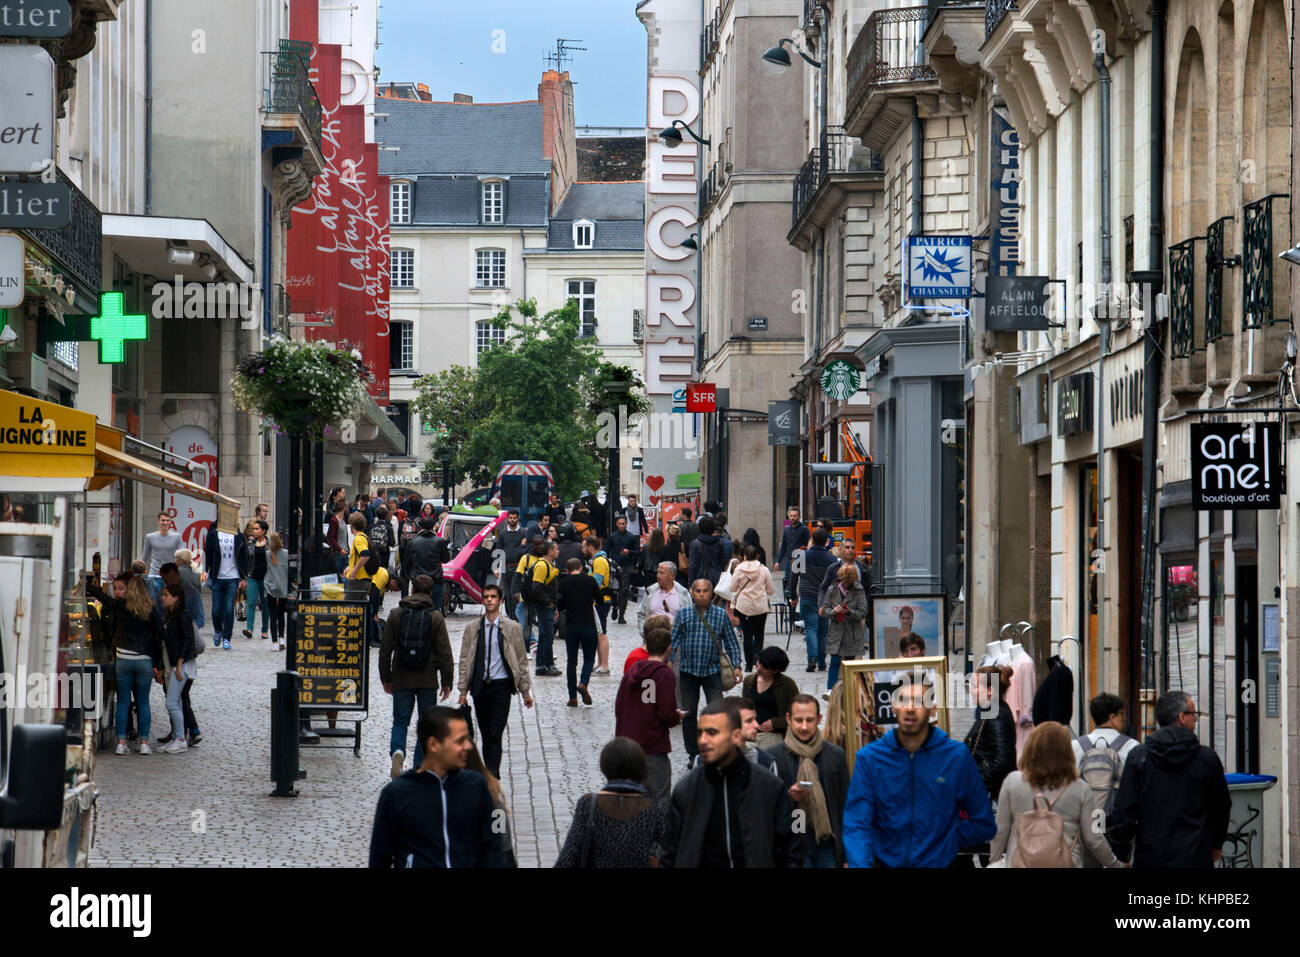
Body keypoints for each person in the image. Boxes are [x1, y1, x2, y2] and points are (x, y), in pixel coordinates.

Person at [842, 680, 996, 867]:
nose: (910, 708)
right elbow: (856, 824)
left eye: (919, 701)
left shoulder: (956, 757)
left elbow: (983, 823)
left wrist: (945, 840)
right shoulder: (870, 758)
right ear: (892, 707)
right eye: (903, 700)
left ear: (933, 709)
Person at [657, 700, 803, 868]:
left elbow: (790, 850)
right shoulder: (686, 791)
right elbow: (669, 853)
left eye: (712, 733)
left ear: (735, 735)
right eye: (700, 733)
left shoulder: (769, 786)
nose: (703, 740)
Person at [368, 706, 509, 868]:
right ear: (433, 745)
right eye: (460, 741)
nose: (468, 746)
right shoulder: (396, 794)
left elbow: (493, 849)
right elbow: (379, 857)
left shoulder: (476, 786)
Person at [1106, 690, 1231, 868]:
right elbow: (1221, 807)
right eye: (1193, 714)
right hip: (1196, 856)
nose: (1195, 719)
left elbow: (1124, 810)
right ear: (1182, 717)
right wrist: (1216, 844)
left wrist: (1121, 853)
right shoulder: (1206, 759)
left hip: (1151, 857)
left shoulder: (1139, 757)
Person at [990, 721, 1125, 868]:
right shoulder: (1081, 789)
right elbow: (1093, 838)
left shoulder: (1013, 782)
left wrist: (994, 861)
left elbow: (1000, 831)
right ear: (1067, 752)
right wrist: (1115, 864)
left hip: (1019, 863)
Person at [381, 574, 455, 779]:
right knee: (426, 724)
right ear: (431, 593)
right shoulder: (436, 617)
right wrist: (447, 681)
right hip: (427, 679)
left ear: (412, 590)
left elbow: (385, 650)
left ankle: (398, 752)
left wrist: (386, 678)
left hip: (402, 677)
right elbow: (444, 652)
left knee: (400, 721)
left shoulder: (396, 614)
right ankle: (419, 766)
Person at [456, 584, 534, 778]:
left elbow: (520, 660)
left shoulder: (512, 628)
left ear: (500, 601)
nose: (489, 600)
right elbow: (465, 659)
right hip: (480, 687)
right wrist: (463, 690)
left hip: (502, 686)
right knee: (484, 732)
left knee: (495, 732)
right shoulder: (473, 628)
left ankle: (492, 774)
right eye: (486, 597)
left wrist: (525, 692)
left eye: (493, 597)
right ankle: (489, 773)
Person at [555, 738, 669, 867]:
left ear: (605, 766)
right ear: (641, 768)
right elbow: (674, 851)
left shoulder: (588, 805)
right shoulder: (653, 810)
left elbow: (568, 856)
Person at [764, 694, 850, 868]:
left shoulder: (835, 755)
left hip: (828, 842)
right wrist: (788, 797)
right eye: (798, 720)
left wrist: (848, 854)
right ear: (788, 719)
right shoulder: (773, 757)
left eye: (809, 720)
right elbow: (766, 808)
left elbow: (845, 805)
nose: (804, 726)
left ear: (819, 719)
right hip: (793, 844)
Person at [670, 579, 743, 770]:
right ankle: (693, 752)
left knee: (717, 712)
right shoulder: (683, 614)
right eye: (698, 591)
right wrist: (668, 664)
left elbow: (731, 641)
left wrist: (737, 665)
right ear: (692, 593)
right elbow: (673, 640)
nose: (702, 594)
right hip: (688, 670)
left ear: (711, 593)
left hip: (712, 671)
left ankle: (718, 749)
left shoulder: (720, 615)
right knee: (688, 713)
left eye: (705, 591)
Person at [89, 575, 165, 755]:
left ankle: (121, 742)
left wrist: (88, 587)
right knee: (143, 702)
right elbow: (160, 634)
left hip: (123, 658)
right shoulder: (150, 608)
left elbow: (105, 600)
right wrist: (158, 662)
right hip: (144, 660)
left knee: (123, 701)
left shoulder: (121, 607)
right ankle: (144, 742)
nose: (117, 592)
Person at [614, 626, 681, 804]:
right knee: (660, 797)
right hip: (652, 746)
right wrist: (677, 716)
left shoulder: (631, 673)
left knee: (630, 798)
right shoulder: (664, 674)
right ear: (669, 648)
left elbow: (619, 706)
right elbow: (666, 713)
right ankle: (658, 832)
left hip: (627, 746)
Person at [157, 584, 199, 753]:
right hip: (171, 664)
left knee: (172, 702)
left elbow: (188, 641)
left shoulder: (182, 616)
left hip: (180, 665)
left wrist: (180, 664)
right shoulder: (170, 616)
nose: (162, 597)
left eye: (166, 595)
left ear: (176, 598)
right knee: (176, 702)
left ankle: (180, 738)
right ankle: (177, 736)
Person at [556, 557, 601, 708]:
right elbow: (600, 600)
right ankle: (583, 683)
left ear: (567, 570)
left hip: (571, 626)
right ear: (581, 568)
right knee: (589, 658)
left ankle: (572, 697)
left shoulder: (562, 583)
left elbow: (560, 605)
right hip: (588, 625)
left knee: (571, 662)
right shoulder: (590, 581)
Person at [722, 545, 774, 672]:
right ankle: (758, 660)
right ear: (757, 556)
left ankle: (748, 664)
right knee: (759, 634)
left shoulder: (739, 569)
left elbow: (732, 588)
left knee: (747, 635)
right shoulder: (764, 570)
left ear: (745, 556)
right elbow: (771, 590)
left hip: (743, 607)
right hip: (760, 607)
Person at [819, 562, 868, 691]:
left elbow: (863, 612)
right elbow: (824, 610)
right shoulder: (833, 589)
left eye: (848, 582)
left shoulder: (858, 590)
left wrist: (849, 612)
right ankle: (830, 689)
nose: (845, 584)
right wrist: (834, 612)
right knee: (834, 661)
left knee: (849, 663)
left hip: (852, 633)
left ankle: (850, 689)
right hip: (836, 632)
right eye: (844, 581)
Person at [742, 646, 800, 751]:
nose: (759, 668)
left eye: (765, 668)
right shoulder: (749, 681)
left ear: (776, 670)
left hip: (774, 734)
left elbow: (797, 715)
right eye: (758, 663)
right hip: (751, 733)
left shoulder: (787, 685)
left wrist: (775, 723)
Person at [795, 528, 836, 673]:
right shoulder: (831, 559)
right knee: (823, 631)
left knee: (811, 628)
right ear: (826, 541)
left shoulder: (801, 556)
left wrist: (793, 596)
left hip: (806, 594)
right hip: (824, 598)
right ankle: (822, 661)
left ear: (812, 540)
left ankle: (811, 659)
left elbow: (793, 575)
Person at [203, 520, 247, 650]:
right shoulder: (213, 534)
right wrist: (206, 571)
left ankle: (227, 638)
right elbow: (208, 554)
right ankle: (218, 630)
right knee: (216, 609)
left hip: (232, 577)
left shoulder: (238, 536)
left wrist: (244, 577)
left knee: (228, 608)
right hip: (217, 576)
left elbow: (243, 557)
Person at [526, 540, 562, 676]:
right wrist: (548, 603)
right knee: (548, 636)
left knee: (543, 636)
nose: (558, 551)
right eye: (556, 549)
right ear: (550, 551)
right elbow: (537, 587)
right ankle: (549, 665)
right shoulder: (542, 566)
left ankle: (540, 666)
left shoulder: (549, 565)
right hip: (543, 606)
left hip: (548, 606)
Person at [402, 516, 450, 611]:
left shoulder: (413, 542)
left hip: (418, 579)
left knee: (418, 608)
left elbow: (406, 563)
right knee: (434, 609)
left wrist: (411, 576)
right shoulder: (439, 541)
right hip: (435, 579)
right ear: (433, 527)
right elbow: (445, 559)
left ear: (420, 527)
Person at [582, 535, 614, 674]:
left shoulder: (599, 561)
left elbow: (596, 583)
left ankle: (605, 665)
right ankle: (600, 663)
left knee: (602, 633)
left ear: (590, 547)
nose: (582, 550)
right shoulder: (596, 560)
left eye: (584, 547)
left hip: (601, 601)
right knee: (598, 633)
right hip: (598, 601)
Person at [636, 561, 690, 631]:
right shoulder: (650, 591)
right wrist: (645, 633)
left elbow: (689, 618)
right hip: (652, 637)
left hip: (674, 638)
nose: (658, 575)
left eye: (661, 573)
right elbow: (641, 614)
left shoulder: (683, 594)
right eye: (658, 572)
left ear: (672, 576)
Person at [773, 506, 809, 610]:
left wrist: (800, 553)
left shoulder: (804, 529)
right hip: (789, 562)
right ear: (789, 516)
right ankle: (791, 609)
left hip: (800, 561)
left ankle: (798, 609)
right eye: (791, 516)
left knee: (798, 585)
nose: (793, 518)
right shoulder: (787, 530)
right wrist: (778, 561)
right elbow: (783, 547)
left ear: (799, 516)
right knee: (787, 584)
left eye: (795, 516)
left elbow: (807, 545)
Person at [606, 514, 640, 623]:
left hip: (627, 567)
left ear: (626, 524)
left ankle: (621, 614)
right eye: (619, 524)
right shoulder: (612, 536)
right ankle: (615, 607)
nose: (621, 526)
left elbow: (638, 552)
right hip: (614, 566)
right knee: (613, 590)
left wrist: (629, 552)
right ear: (616, 524)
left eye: (623, 524)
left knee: (624, 591)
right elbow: (606, 549)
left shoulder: (631, 537)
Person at [730, 698, 778, 773]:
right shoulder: (710, 760)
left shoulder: (765, 760)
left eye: (755, 720)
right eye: (749, 721)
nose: (756, 725)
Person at [141, 512, 181, 600]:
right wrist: (141, 570)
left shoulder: (177, 537)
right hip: (155, 575)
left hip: (171, 576)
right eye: (163, 520)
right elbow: (145, 555)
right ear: (158, 521)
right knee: (154, 600)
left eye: (168, 520)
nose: (165, 523)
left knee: (170, 602)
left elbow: (181, 556)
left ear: (170, 522)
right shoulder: (150, 537)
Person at [241, 520, 271, 641]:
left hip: (266, 577)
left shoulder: (270, 544)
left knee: (265, 604)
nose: (254, 531)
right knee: (252, 602)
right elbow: (244, 561)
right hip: (252, 576)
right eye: (253, 529)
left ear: (264, 531)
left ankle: (264, 630)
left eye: (257, 529)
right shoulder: (249, 544)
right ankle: (249, 629)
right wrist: (243, 577)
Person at [497, 509, 528, 619]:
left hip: (518, 567)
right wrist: (496, 568)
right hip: (505, 567)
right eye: (510, 518)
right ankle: (511, 616)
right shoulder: (502, 533)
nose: (512, 520)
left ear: (518, 519)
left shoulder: (523, 533)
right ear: (507, 519)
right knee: (508, 594)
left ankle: (516, 617)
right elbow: (498, 550)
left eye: (514, 518)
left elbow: (526, 550)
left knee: (516, 592)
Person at [688, 515, 731, 589]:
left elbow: (693, 565)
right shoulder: (719, 543)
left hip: (699, 579)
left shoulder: (696, 543)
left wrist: (690, 583)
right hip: (716, 578)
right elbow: (723, 562)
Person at [264, 532, 290, 651]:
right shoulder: (286, 554)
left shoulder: (267, 555)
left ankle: (274, 642)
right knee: (281, 615)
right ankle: (282, 638)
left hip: (271, 588)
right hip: (283, 587)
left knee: (273, 616)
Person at [662, 522, 689, 588]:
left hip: (669, 576)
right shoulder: (684, 546)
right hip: (682, 575)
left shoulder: (665, 548)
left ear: (669, 535)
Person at [326, 500, 348, 576]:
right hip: (338, 553)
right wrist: (339, 549)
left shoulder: (343, 520)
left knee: (345, 575)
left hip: (345, 552)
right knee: (338, 575)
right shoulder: (334, 521)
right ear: (344, 508)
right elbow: (330, 537)